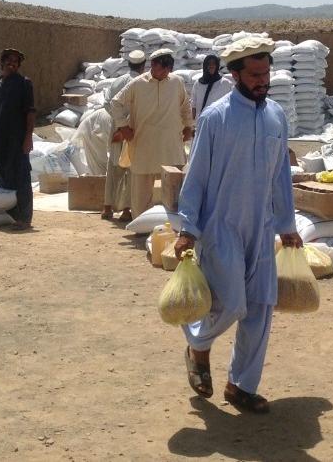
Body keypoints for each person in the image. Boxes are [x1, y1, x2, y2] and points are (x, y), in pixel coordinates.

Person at [174, 37, 302, 414]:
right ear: (235, 75)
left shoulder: (276, 116)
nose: (263, 81)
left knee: (261, 308)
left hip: (261, 228)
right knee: (230, 304)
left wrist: (286, 223)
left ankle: (241, 385)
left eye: (266, 73)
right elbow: (196, 176)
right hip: (222, 227)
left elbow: (280, 175)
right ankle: (198, 346)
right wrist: (187, 228)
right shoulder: (215, 118)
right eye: (255, 75)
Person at [110, 49, 194, 216]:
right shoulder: (137, 84)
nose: (164, 74)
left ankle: (173, 224)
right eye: (162, 69)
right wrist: (123, 127)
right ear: (153, 65)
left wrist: (188, 126)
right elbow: (115, 103)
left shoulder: (176, 82)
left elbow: (185, 106)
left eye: (168, 70)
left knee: (173, 191)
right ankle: (140, 222)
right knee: (141, 193)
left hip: (170, 146)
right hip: (144, 145)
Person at [0, 48, 35, 230]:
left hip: (17, 139)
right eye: (9, 60)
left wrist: (28, 137)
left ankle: (24, 218)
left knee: (21, 177)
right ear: (2, 63)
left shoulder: (24, 84)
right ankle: (11, 215)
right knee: (4, 178)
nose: (12, 64)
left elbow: (30, 112)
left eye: (16, 61)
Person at [101, 50, 146, 221]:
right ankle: (127, 210)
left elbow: (107, 104)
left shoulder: (117, 82)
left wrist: (118, 124)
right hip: (133, 131)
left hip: (116, 129)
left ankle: (107, 207)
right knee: (131, 171)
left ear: (129, 64)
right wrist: (125, 127)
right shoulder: (142, 83)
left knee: (113, 168)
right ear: (143, 65)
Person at [190, 55, 233, 120]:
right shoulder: (198, 84)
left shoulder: (225, 83)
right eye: (209, 64)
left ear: (217, 65)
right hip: (201, 121)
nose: (211, 66)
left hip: (219, 121)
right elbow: (193, 104)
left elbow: (231, 104)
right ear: (205, 66)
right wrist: (193, 122)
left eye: (214, 64)